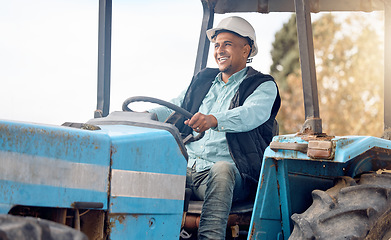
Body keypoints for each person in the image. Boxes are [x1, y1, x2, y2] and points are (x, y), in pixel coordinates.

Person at [149, 16, 281, 240]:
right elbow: (176, 106)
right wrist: (146, 115)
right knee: (145, 163)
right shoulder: (203, 80)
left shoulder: (262, 85)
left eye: (227, 44)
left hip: (232, 173)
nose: (220, 50)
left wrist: (214, 119)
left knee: (222, 169)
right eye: (217, 45)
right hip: (186, 167)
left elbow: (250, 114)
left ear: (246, 50)